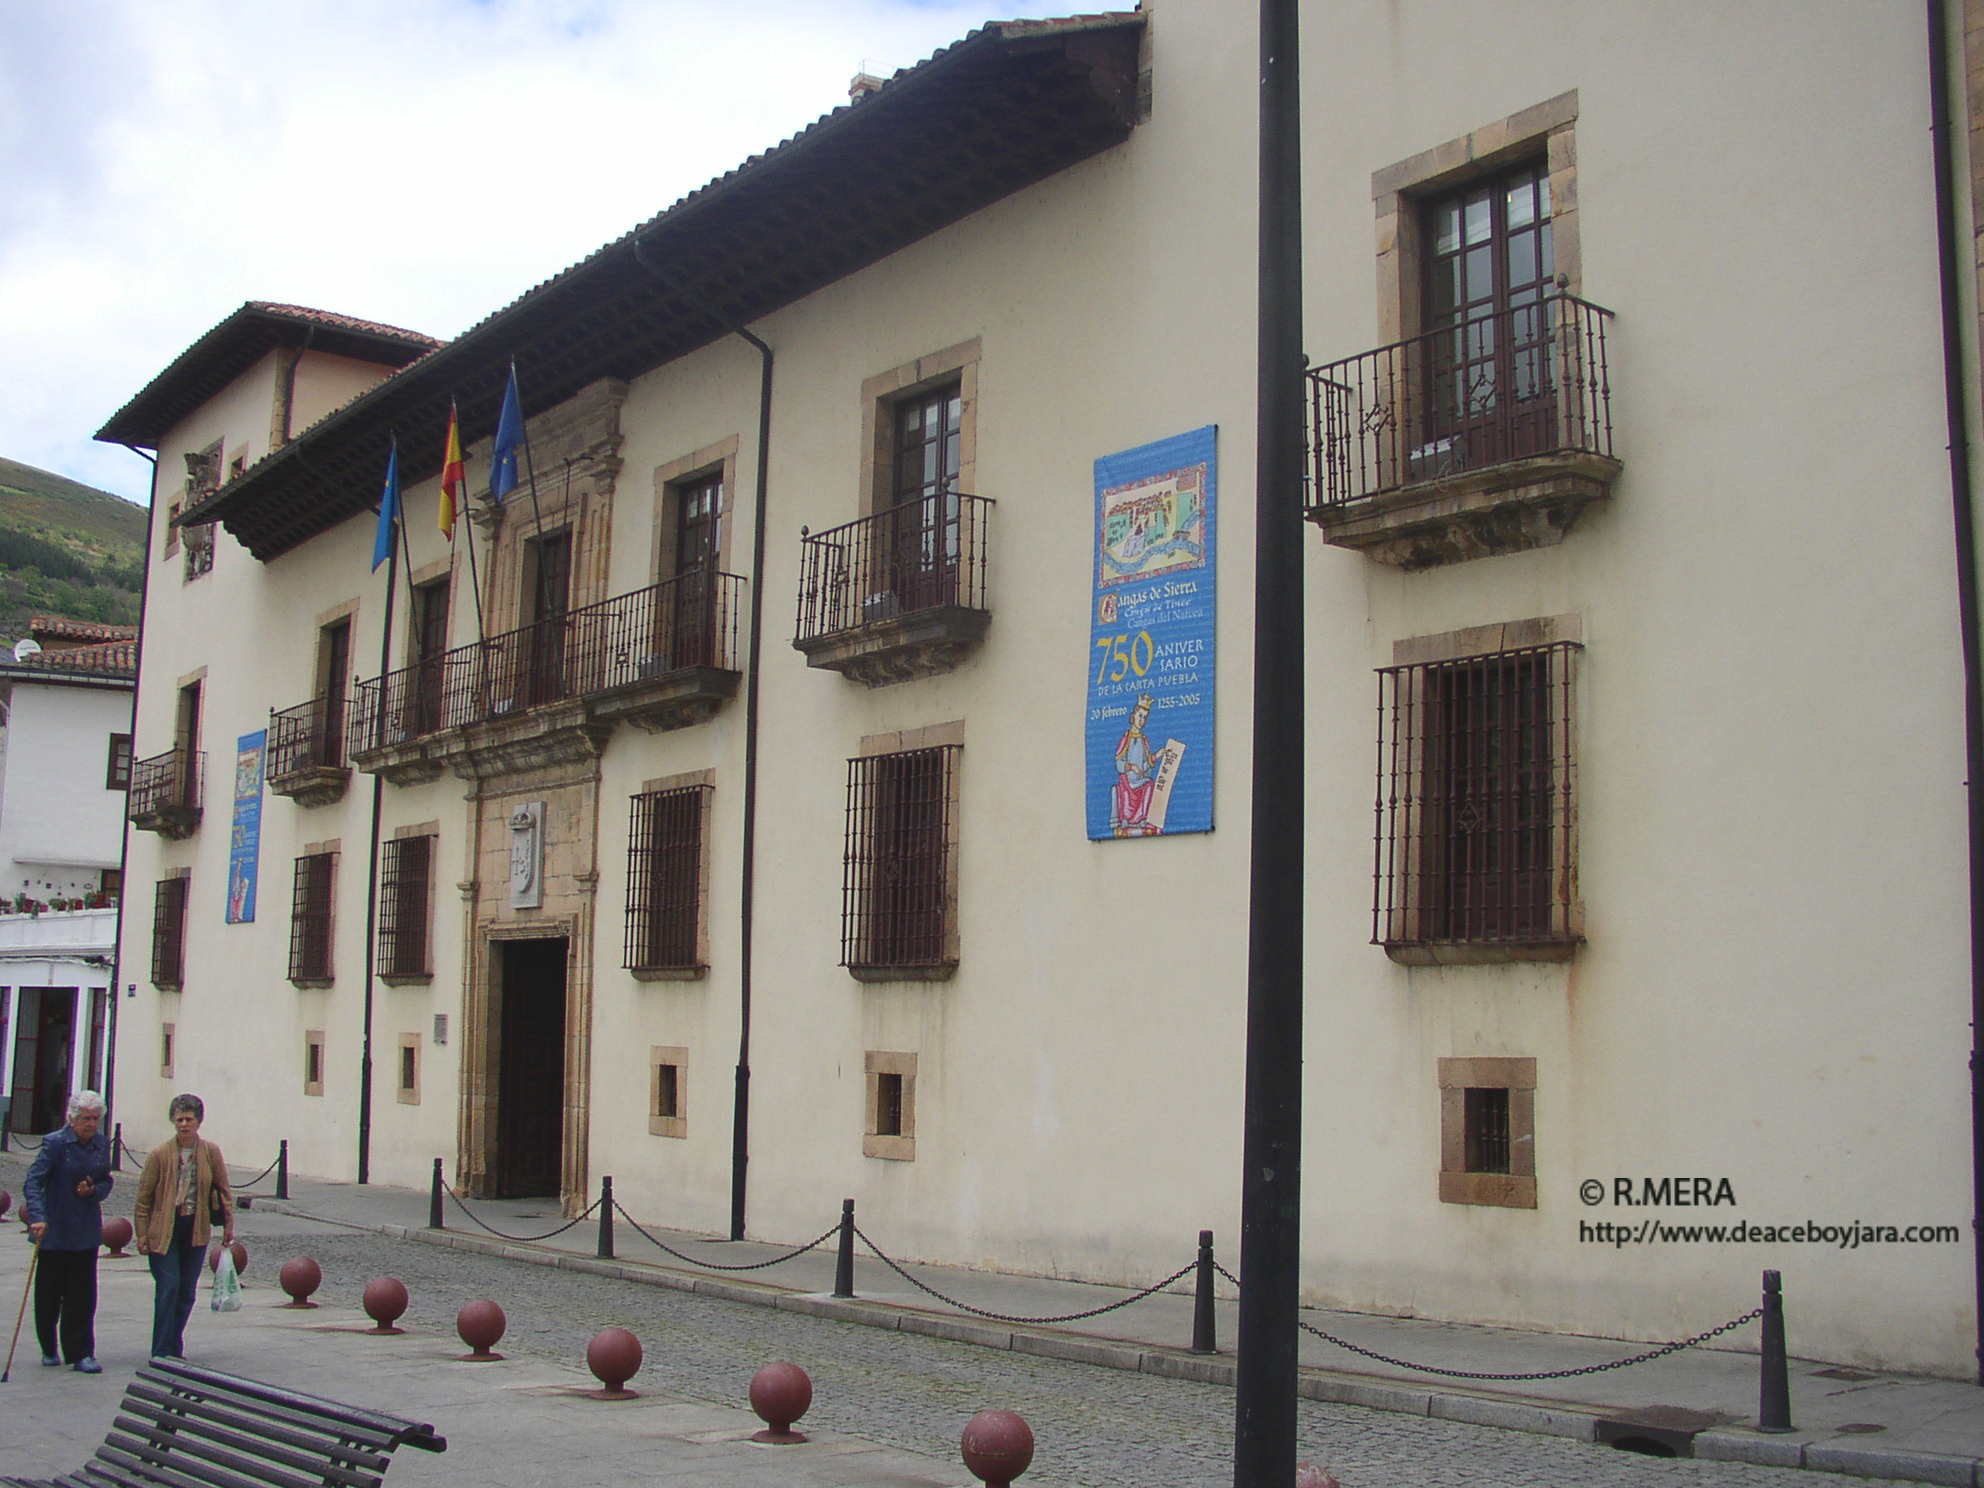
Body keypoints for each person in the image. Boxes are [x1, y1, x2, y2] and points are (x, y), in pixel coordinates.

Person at [132, 1093, 234, 1361]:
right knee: (169, 1286)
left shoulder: (210, 1152)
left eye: (189, 1119)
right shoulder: (159, 1154)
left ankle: (173, 1345)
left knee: (187, 1290)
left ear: (198, 1122)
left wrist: (228, 1227)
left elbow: (223, 1190)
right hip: (164, 1228)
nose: (184, 1125)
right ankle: (162, 1351)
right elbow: (143, 1199)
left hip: (195, 1227)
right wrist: (141, 1234)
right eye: (179, 1119)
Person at [22, 1089, 113, 1373]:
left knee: (83, 1296)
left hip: (85, 1230)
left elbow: (106, 1181)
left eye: (96, 1119)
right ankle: (49, 1346)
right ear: (72, 1119)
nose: (91, 1124)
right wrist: (37, 1216)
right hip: (53, 1229)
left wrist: (93, 1191)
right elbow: (33, 1182)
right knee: (49, 1295)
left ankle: (80, 1352)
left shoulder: (100, 1144)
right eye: (86, 1118)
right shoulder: (56, 1143)